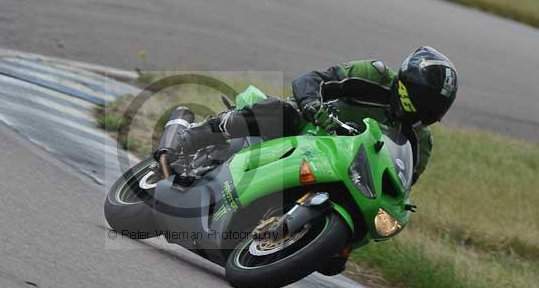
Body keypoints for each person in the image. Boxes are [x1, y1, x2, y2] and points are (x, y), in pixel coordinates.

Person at [165, 46, 459, 274]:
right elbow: (312, 79)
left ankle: (291, 233)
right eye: (423, 102)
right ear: (407, 85)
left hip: (346, 171)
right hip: (309, 128)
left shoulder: (422, 141)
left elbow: (402, 181)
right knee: (278, 111)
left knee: (334, 263)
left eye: (434, 109)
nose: (425, 113)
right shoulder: (373, 74)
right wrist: (312, 105)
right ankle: (194, 136)